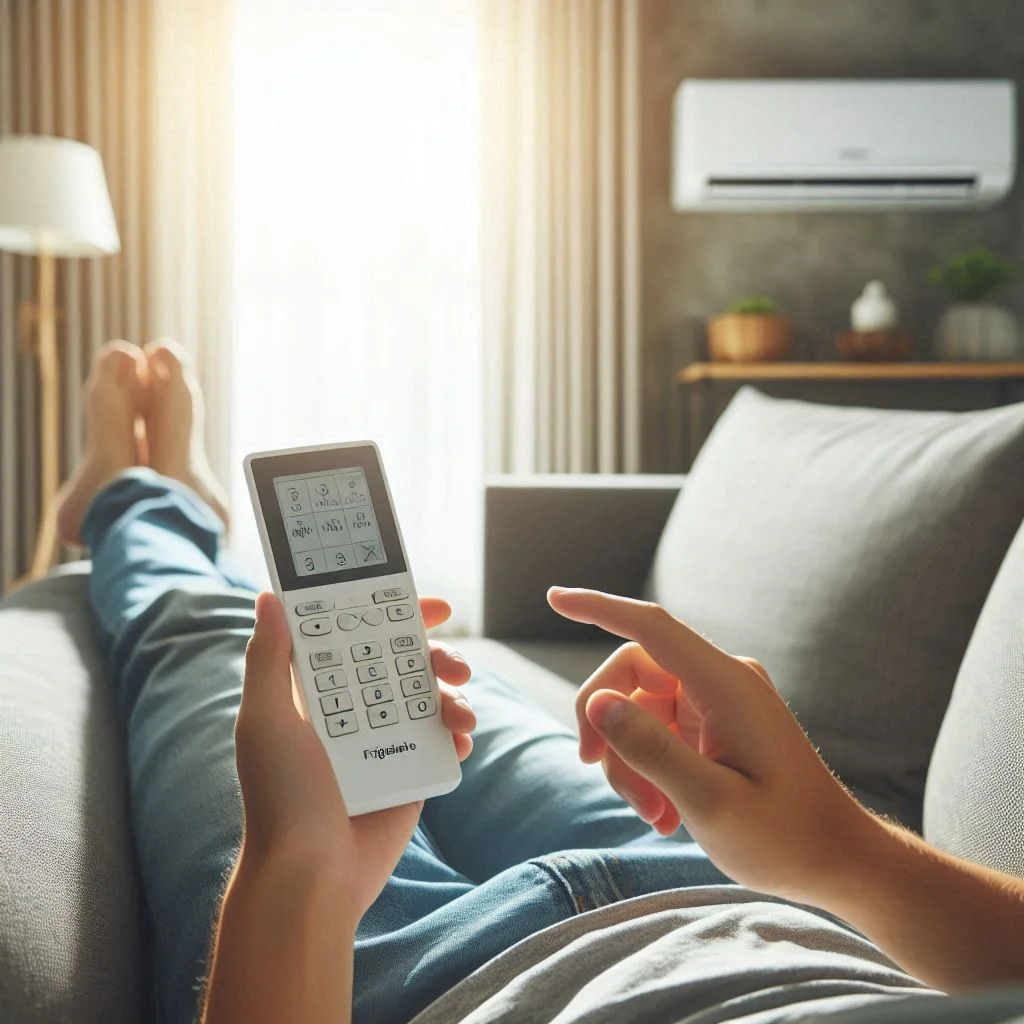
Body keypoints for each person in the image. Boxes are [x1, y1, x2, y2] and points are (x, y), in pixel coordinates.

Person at [56, 342, 1024, 1024]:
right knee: (455, 700)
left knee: (217, 644)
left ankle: (133, 500)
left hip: (414, 983)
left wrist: (297, 875)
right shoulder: (810, 865)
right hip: (748, 894)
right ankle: (181, 509)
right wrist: (840, 850)